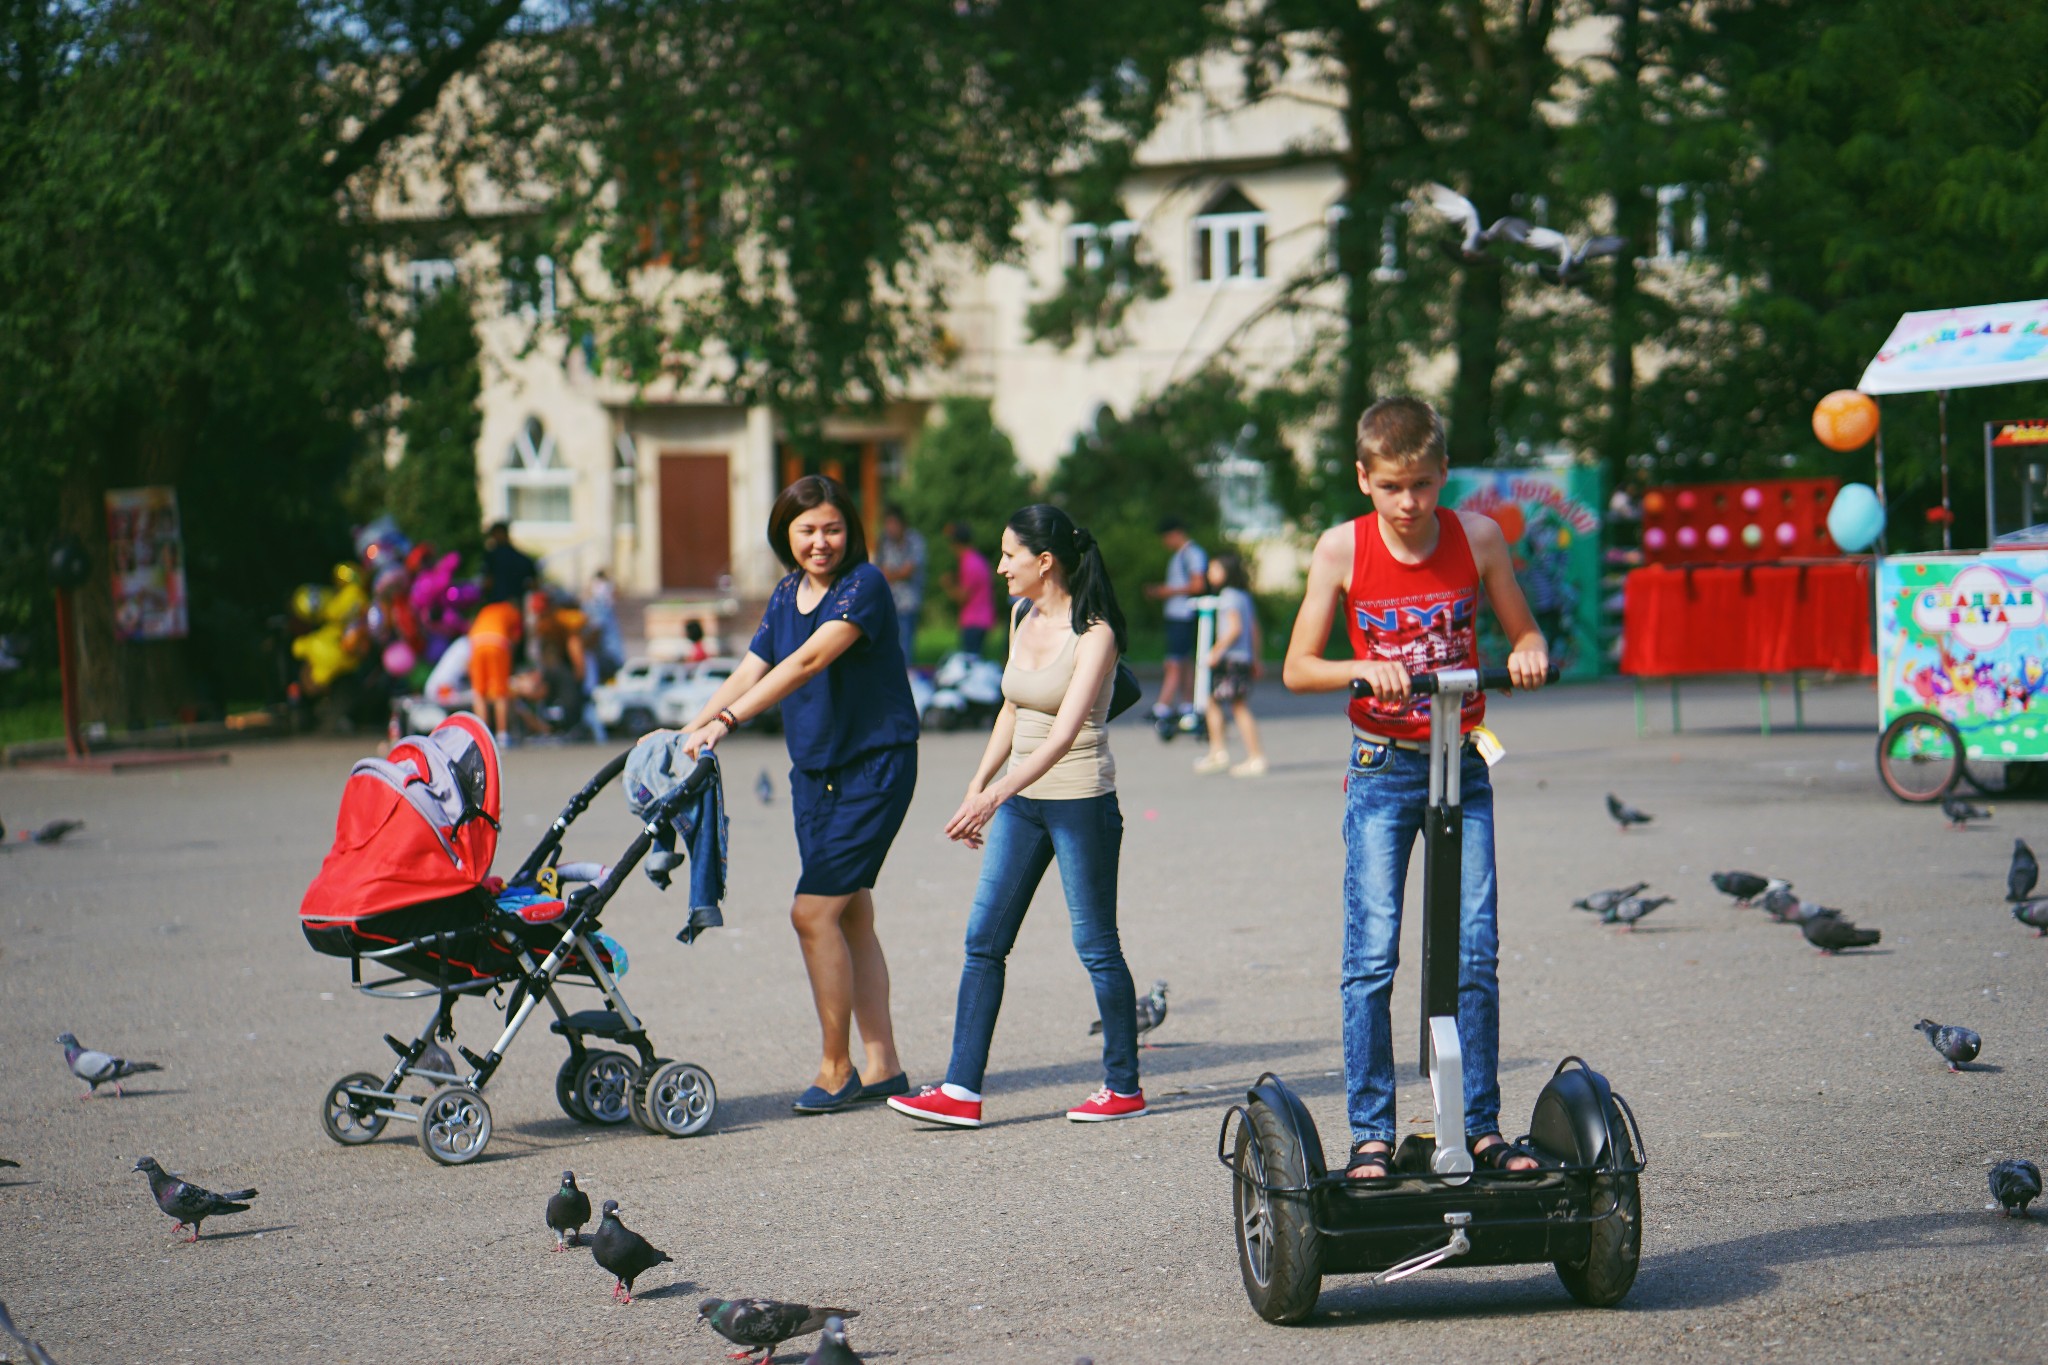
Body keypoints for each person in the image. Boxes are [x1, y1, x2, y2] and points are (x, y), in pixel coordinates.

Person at [1281, 396, 1549, 1182]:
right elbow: (1298, 666)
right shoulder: (1341, 550)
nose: (1410, 504)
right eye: (1393, 486)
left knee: (1474, 950)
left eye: (1425, 485)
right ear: (1364, 478)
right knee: (1371, 955)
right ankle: (1372, 1130)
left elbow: (1524, 630)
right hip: (1383, 766)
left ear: (1444, 476)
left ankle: (1480, 1126)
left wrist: (1528, 651)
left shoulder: (1480, 538)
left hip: (1462, 757)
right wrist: (1362, 665)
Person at [888, 504, 1142, 1129]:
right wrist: (977, 785)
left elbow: (1061, 735)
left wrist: (992, 797)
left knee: (1095, 946)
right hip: (1021, 803)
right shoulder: (1019, 614)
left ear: (1044, 561)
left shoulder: (1097, 634)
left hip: (1081, 801)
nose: (999, 566)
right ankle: (961, 1090)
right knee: (984, 942)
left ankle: (1123, 1085)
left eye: (1009, 555)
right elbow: (1012, 709)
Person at [676, 475, 917, 1114]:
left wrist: (726, 725)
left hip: (874, 768)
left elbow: (806, 663)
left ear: (851, 531)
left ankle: (837, 1069)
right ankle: (883, 1064)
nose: (821, 542)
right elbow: (752, 665)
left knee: (811, 913)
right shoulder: (787, 593)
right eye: (807, 530)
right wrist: (693, 726)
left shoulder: (863, 586)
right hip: (814, 773)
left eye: (832, 529)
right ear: (785, 533)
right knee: (850, 912)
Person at [1193, 552, 1267, 778]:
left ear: (1226, 572)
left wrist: (1215, 651)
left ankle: (1253, 756)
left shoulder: (1227, 597)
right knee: (1214, 701)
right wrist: (1255, 658)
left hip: (1230, 659)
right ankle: (1219, 751)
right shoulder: (1243, 596)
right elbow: (1253, 630)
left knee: (1236, 706)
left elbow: (1234, 629)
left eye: (1214, 569)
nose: (1209, 574)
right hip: (1242, 658)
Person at [1145, 518, 1208, 728]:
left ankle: (1163, 705)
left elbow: (1198, 584)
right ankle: (1186, 704)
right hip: (1177, 615)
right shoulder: (1181, 555)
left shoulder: (1191, 554)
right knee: (1184, 661)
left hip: (1183, 615)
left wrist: (1166, 591)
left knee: (1173, 661)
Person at [875, 505, 927, 665]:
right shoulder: (883, 541)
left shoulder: (915, 541)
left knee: (905, 647)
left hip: (907, 603)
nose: (890, 528)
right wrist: (896, 573)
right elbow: (879, 570)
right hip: (888, 602)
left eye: (893, 524)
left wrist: (891, 574)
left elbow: (908, 571)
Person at [467, 595, 523, 744]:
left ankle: (482, 737)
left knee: (479, 693)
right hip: (497, 642)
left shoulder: (486, 610)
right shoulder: (513, 611)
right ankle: (502, 734)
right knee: (500, 691)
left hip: (476, 642)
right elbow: (514, 640)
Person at [943, 521, 995, 657]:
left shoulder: (968, 562)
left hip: (974, 620)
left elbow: (963, 597)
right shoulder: (978, 559)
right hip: (983, 618)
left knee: (970, 661)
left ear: (956, 544)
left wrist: (949, 585)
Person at [481, 520, 538, 606]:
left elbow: (488, 582)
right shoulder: (522, 558)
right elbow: (534, 584)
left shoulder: (491, 557)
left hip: (496, 605)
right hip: (515, 604)